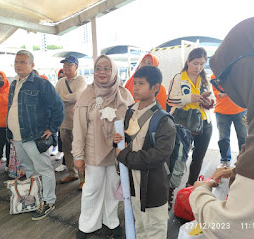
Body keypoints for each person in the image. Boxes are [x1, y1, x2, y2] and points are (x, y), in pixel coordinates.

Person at [189, 11, 254, 238]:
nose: (223, 87)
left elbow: (236, 227)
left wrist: (199, 194)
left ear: (246, 71)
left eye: (223, 80)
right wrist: (238, 171)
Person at [72, 55, 134, 238]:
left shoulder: (124, 95)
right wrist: (78, 156)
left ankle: (111, 220)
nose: (102, 72)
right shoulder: (87, 94)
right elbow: (79, 128)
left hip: (117, 152)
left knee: (114, 187)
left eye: (107, 68)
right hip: (93, 150)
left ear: (114, 70)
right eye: (98, 68)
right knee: (92, 188)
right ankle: (87, 224)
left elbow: (132, 125)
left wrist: (124, 136)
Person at [114, 65, 176, 239]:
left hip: (153, 186)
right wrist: (117, 142)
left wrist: (123, 155)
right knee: (139, 226)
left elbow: (157, 156)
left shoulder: (163, 120)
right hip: (133, 183)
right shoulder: (130, 112)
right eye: (135, 83)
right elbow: (127, 143)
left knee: (155, 229)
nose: (135, 88)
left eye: (141, 84)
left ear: (155, 88)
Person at [7, 50, 64, 220]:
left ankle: (48, 201)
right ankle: (36, 196)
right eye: (16, 61)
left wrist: (52, 128)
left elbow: (58, 107)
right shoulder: (13, 83)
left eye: (23, 62)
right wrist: (10, 132)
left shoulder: (41, 84)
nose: (19, 65)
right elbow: (12, 108)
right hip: (17, 137)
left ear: (32, 65)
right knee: (29, 169)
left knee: (43, 169)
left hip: (35, 136)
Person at [167, 47, 215, 186]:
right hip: (183, 124)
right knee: (178, 157)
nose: (198, 67)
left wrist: (208, 102)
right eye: (195, 63)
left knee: (198, 158)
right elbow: (170, 99)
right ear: (188, 61)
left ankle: (190, 187)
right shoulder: (179, 77)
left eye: (202, 64)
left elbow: (213, 101)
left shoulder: (205, 79)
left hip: (204, 123)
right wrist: (189, 98)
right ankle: (170, 189)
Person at [56, 55, 87, 190]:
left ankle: (84, 178)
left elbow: (78, 96)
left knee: (80, 151)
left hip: (78, 123)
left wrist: (63, 99)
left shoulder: (81, 80)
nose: (66, 67)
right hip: (64, 122)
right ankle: (71, 173)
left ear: (76, 67)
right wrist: (67, 99)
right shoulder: (60, 82)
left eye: (69, 64)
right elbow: (55, 99)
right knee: (67, 150)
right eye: (64, 65)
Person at [211, 74, 247, 168]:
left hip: (241, 109)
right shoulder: (214, 75)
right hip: (222, 111)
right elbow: (216, 92)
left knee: (243, 136)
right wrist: (221, 94)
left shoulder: (238, 71)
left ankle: (243, 160)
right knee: (223, 138)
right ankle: (225, 160)